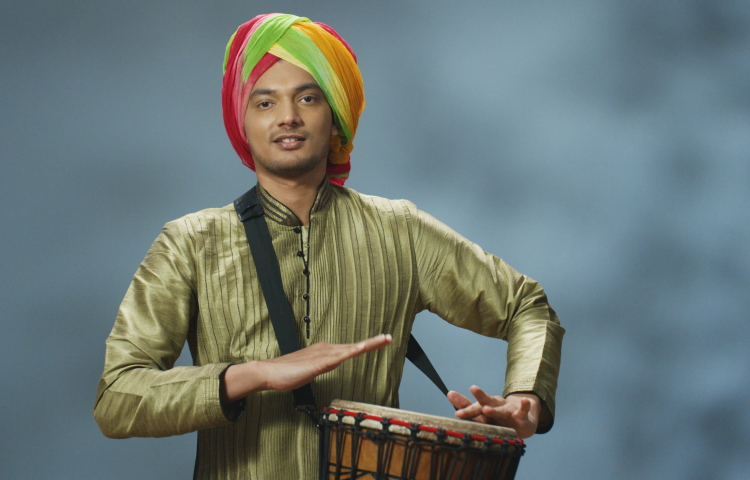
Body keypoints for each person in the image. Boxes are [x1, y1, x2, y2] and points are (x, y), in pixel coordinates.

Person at [94, 13, 563, 479]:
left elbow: (526, 305)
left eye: (308, 97)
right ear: (243, 123)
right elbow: (117, 397)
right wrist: (252, 374)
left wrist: (527, 399)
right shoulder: (189, 243)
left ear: (335, 118)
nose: (288, 117)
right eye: (264, 103)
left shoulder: (401, 230)